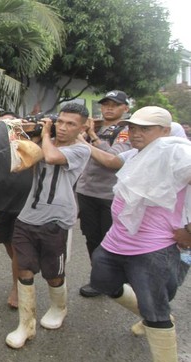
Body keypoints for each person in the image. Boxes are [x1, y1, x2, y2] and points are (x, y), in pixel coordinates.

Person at [85, 106, 190, 362]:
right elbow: (110, 162)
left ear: (165, 130)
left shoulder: (176, 151)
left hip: (154, 247)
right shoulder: (136, 154)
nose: (135, 132)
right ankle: (151, 312)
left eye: (145, 128)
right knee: (103, 282)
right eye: (133, 127)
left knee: (156, 310)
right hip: (116, 241)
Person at [5, 103, 91, 349]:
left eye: (71, 124)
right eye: (60, 122)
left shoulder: (81, 150)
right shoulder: (43, 141)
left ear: (82, 128)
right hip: (27, 216)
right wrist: (26, 129)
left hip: (56, 221)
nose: (63, 128)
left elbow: (52, 157)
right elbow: (17, 156)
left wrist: (44, 135)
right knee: (24, 269)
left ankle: (58, 308)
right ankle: (26, 324)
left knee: (54, 275)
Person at [76, 90, 132, 298]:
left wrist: (91, 137)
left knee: (110, 240)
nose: (108, 108)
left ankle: (115, 280)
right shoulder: (97, 125)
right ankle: (99, 278)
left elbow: (114, 159)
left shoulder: (126, 129)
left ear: (125, 108)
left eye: (115, 104)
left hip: (110, 194)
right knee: (91, 237)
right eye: (105, 104)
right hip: (87, 190)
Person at [0, 111, 34, 309]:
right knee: (7, 243)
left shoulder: (30, 143)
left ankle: (17, 287)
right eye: (1, 125)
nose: (5, 128)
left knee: (16, 246)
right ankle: (22, 267)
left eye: (10, 123)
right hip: (0, 201)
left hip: (23, 202)